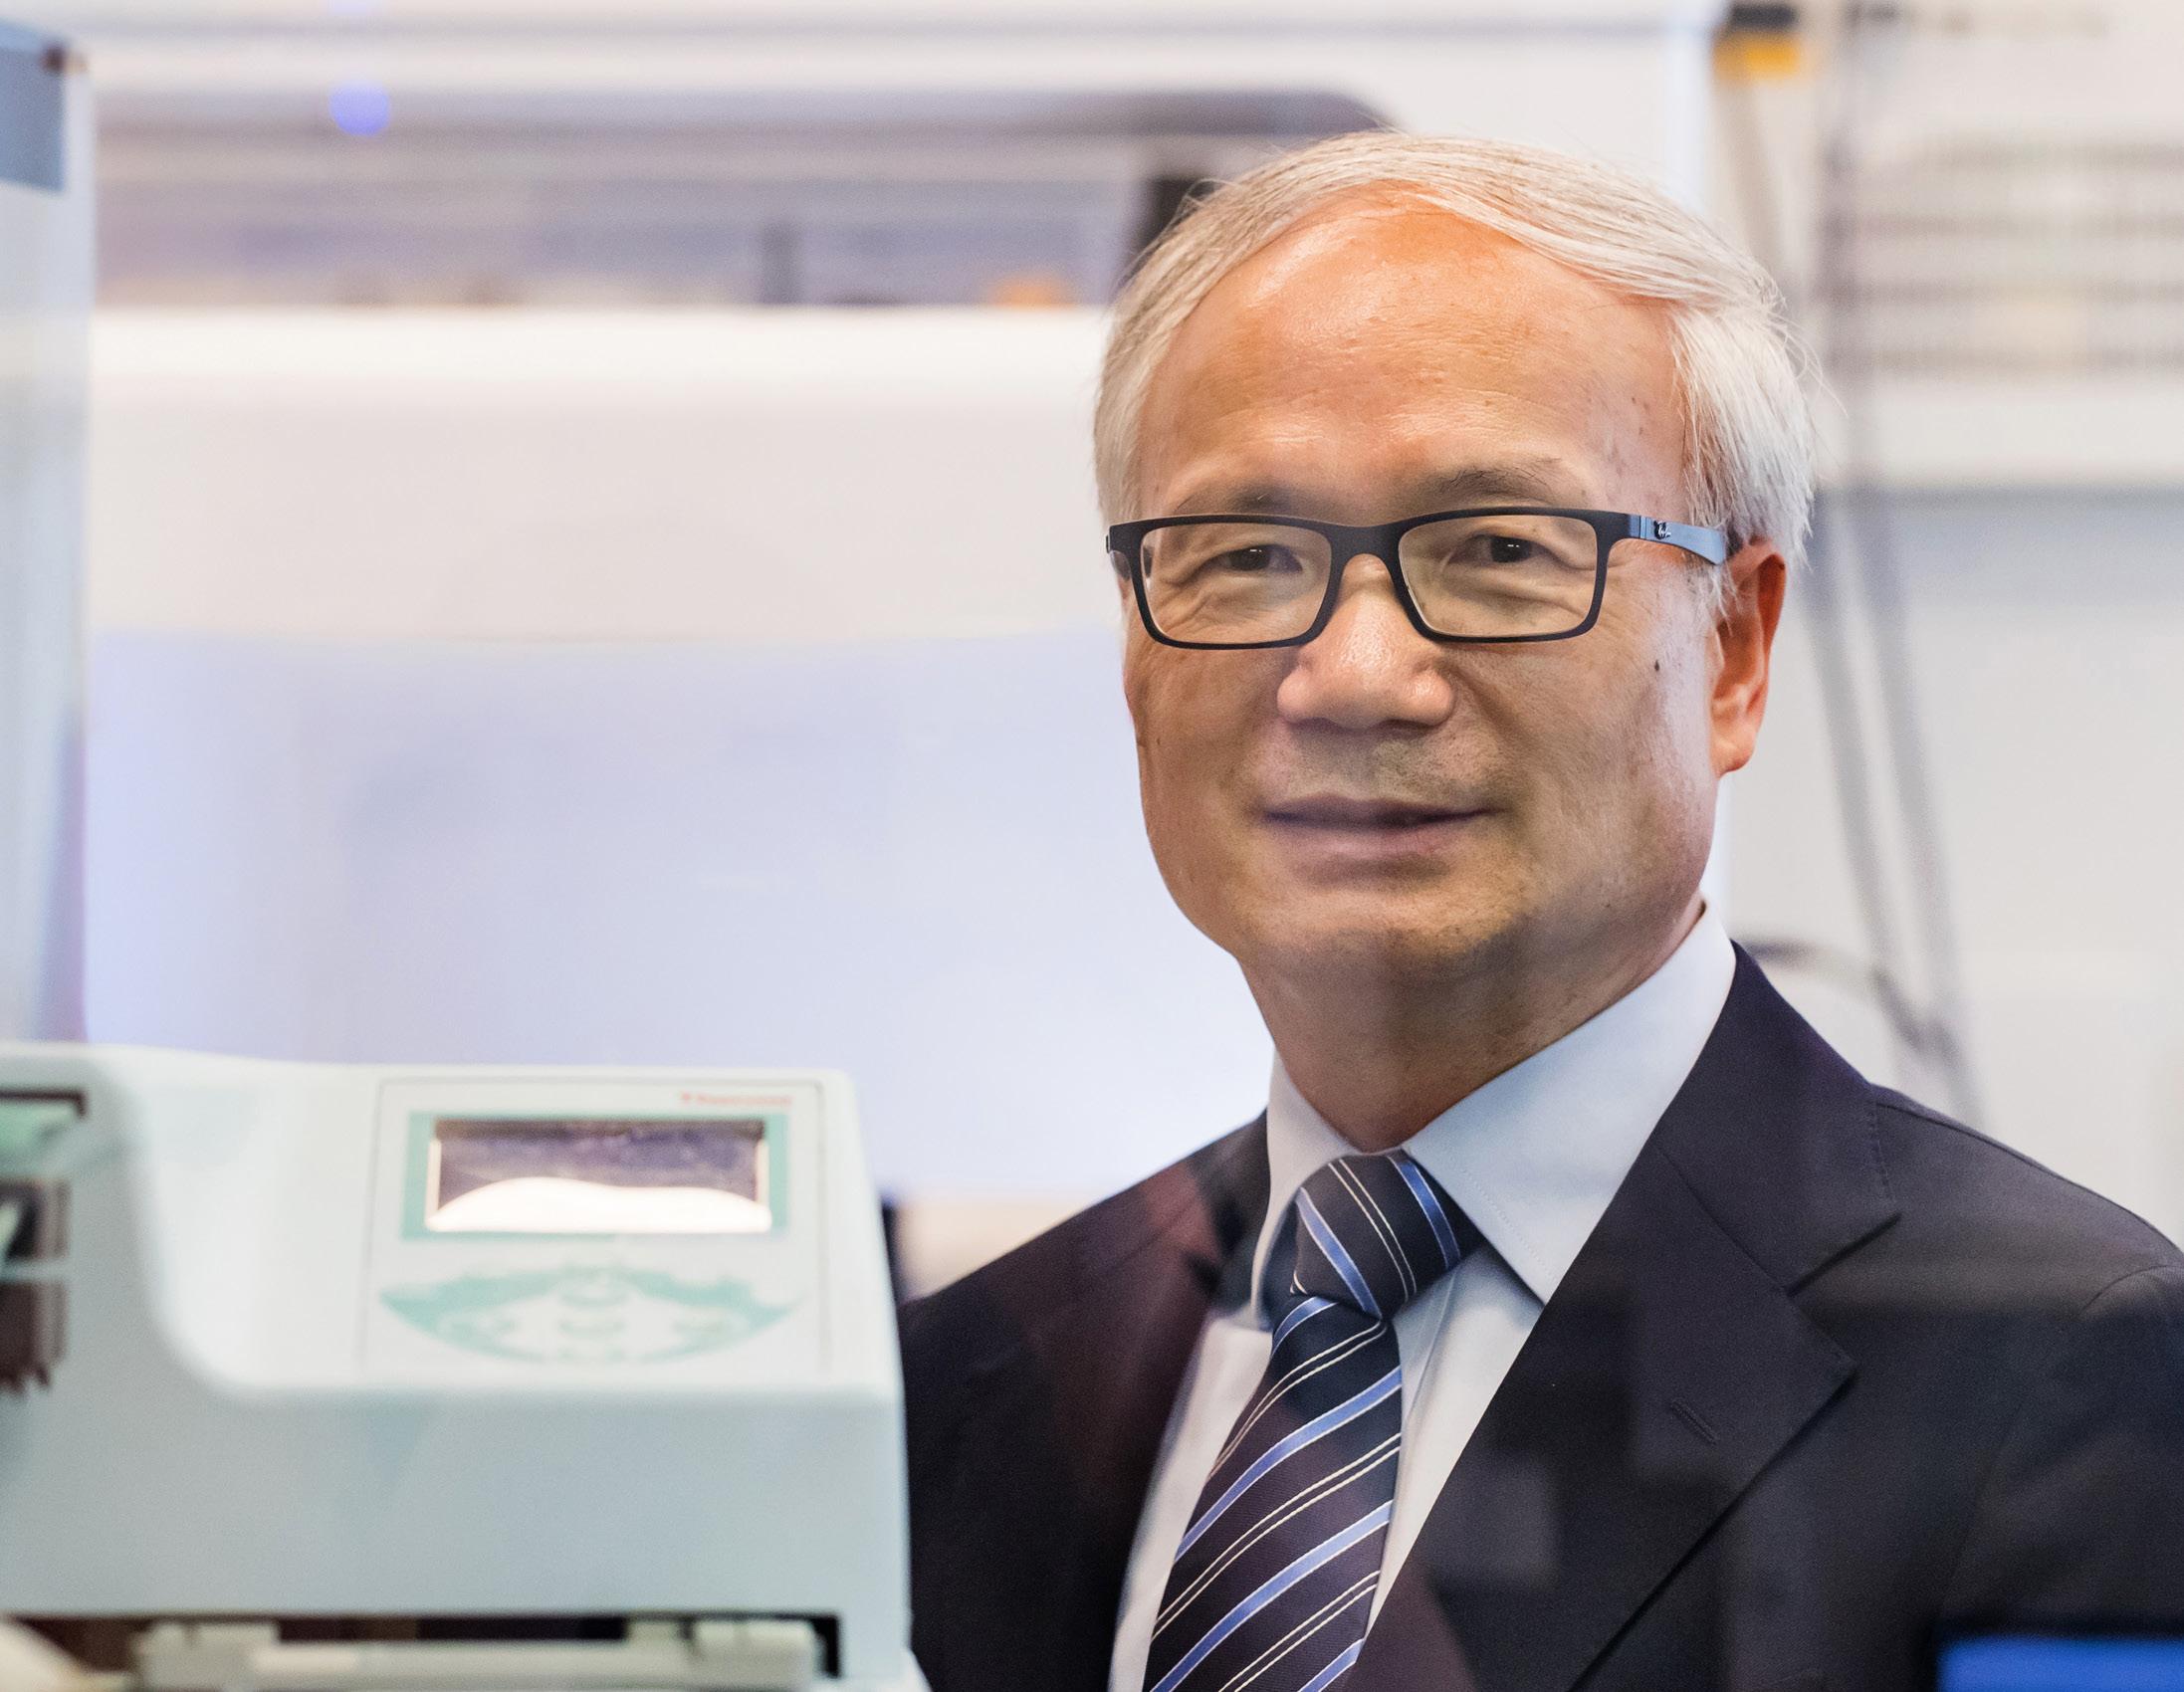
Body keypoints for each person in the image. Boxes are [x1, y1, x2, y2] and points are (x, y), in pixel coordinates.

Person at [897, 133, 2184, 1692]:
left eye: (1497, 551)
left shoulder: (2059, 1370)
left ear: (1733, 649)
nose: (1352, 677)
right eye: (1243, 557)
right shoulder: (959, 1379)